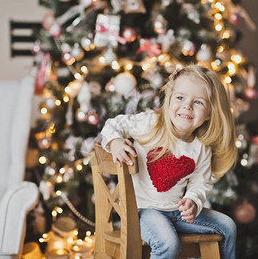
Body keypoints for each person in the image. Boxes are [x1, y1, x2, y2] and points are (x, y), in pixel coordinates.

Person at [100, 65, 237, 259]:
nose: (187, 106)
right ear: (170, 99)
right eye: (180, 98)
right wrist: (114, 142)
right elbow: (113, 124)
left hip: (176, 211)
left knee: (227, 227)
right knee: (168, 243)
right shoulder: (150, 123)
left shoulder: (201, 147)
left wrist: (193, 201)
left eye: (198, 102)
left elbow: (200, 183)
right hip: (141, 211)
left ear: (209, 114)